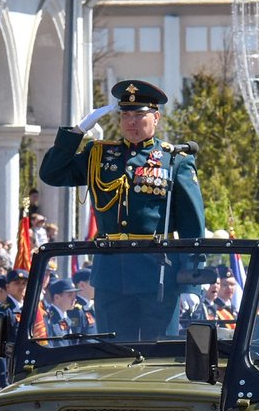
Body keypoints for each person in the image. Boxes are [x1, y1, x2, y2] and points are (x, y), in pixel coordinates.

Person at [39, 79, 208, 342]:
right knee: (113, 354)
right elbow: (52, 173)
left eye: (139, 115)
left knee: (157, 356)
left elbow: (192, 226)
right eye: (126, 115)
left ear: (156, 118)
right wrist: (77, 131)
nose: (131, 122)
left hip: (158, 274)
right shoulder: (99, 155)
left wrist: (190, 283)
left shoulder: (174, 160)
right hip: (110, 275)